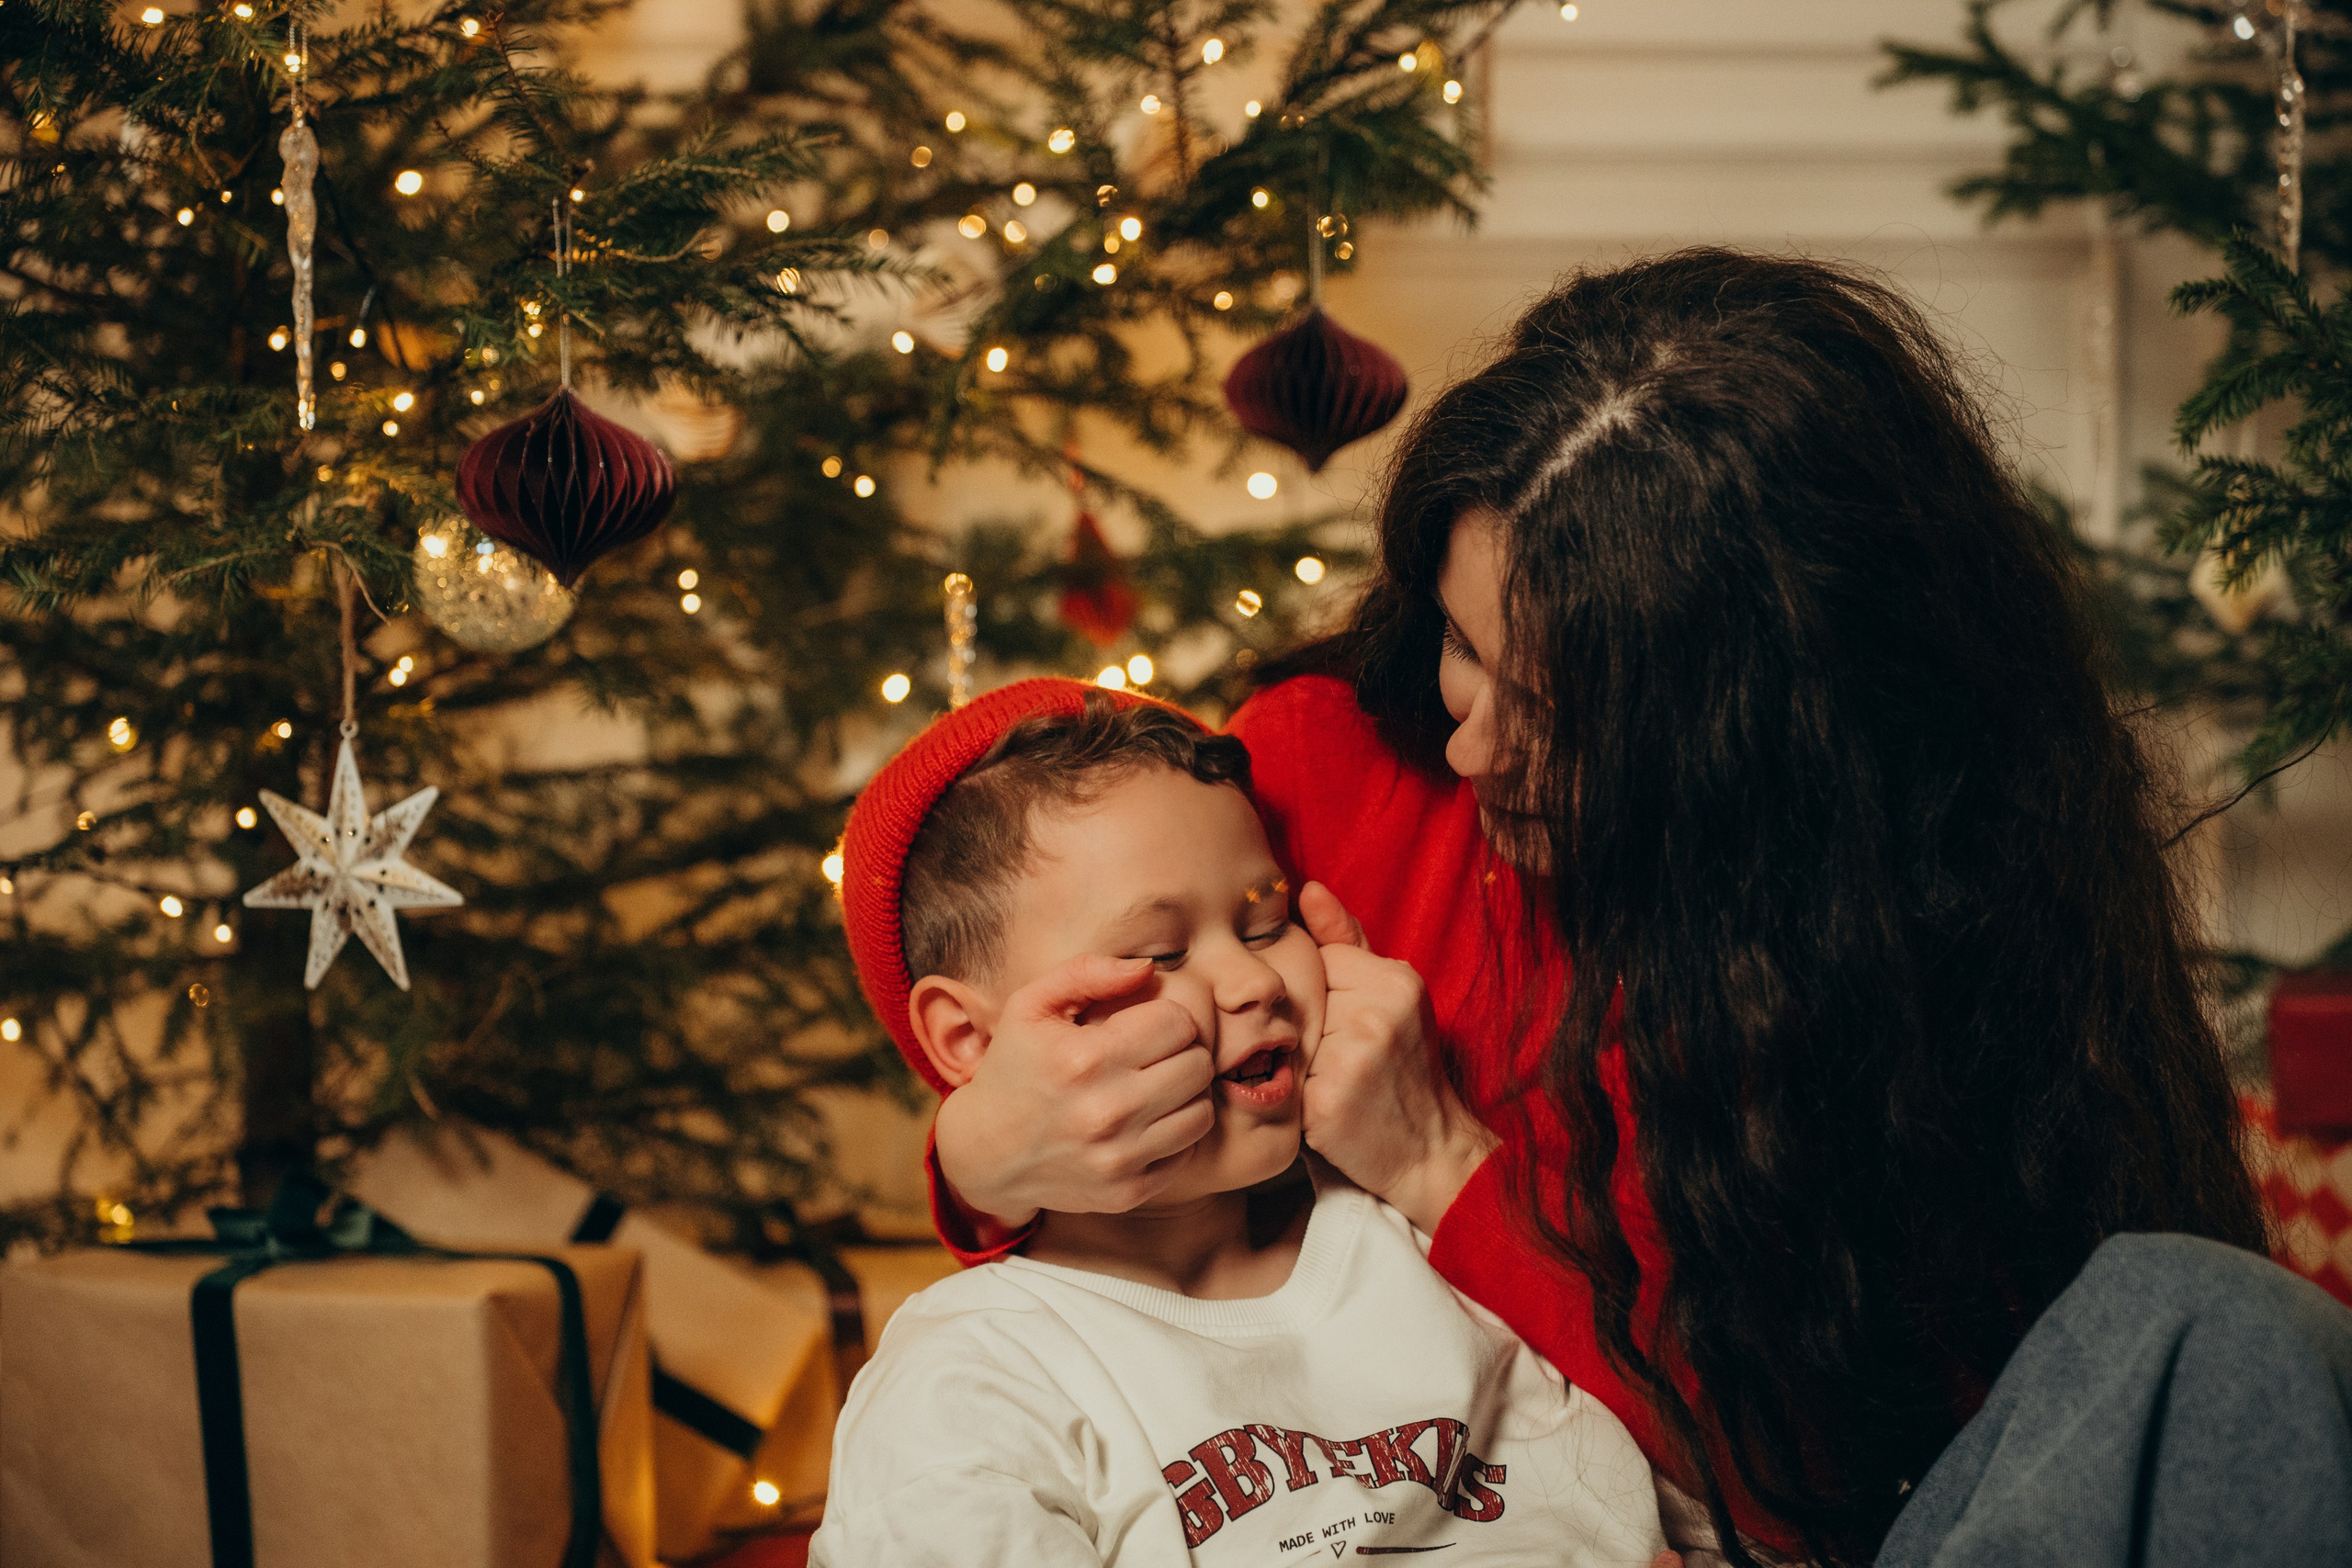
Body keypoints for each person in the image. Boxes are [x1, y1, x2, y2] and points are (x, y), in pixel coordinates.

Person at [922, 250, 2352, 1566]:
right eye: (1462, 650)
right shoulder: (1309, 785)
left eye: (1556, 714)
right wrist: (982, 1149)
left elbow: (1837, 1499)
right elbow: (1045, 896)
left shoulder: (1910, 948)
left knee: (2217, 1320)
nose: (1473, 742)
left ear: (1765, 744)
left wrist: (1443, 1165)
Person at [812, 678, 1671, 1568]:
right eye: (1160, 954)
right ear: (969, 1039)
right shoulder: (971, 1379)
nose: (1254, 983)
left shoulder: (1426, 1257)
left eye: (1265, 923)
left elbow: (1669, 1491)